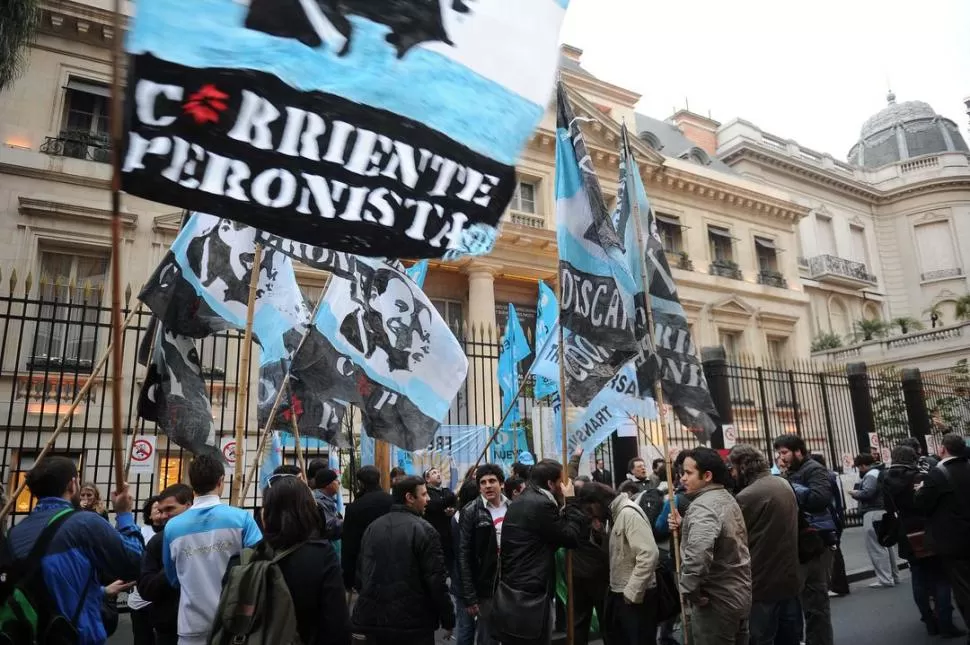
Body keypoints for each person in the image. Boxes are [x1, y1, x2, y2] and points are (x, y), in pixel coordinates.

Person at [4, 456, 143, 645]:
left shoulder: (14, 533)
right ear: (73, 484)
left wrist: (100, 592)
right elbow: (134, 562)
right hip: (73, 637)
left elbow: (49, 585)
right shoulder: (85, 523)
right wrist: (124, 514)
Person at [220, 474, 351, 645]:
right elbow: (336, 626)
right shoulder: (321, 557)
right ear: (309, 513)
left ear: (264, 516)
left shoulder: (241, 562)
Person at [162, 453, 262, 645]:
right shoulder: (242, 519)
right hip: (236, 623)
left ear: (191, 483)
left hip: (192, 625)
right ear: (221, 480)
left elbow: (173, 578)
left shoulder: (173, 528)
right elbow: (256, 570)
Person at [494, 459, 589, 645]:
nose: (565, 486)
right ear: (550, 484)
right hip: (531, 593)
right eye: (561, 482)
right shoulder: (540, 504)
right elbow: (570, 537)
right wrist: (571, 501)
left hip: (517, 585)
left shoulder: (525, 499)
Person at [352, 476, 455, 645]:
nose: (428, 499)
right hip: (413, 625)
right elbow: (436, 581)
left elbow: (361, 574)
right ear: (409, 498)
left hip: (374, 622)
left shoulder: (373, 527)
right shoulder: (425, 530)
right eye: (424, 494)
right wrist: (448, 618)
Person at [668, 447, 751, 645]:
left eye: (688, 473)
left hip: (715, 602)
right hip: (738, 594)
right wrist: (684, 526)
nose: (682, 479)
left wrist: (689, 591)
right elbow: (722, 537)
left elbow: (698, 554)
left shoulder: (703, 506)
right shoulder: (725, 497)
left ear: (707, 475)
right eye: (682, 473)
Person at [882, 444, 963, 637]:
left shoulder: (885, 478)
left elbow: (887, 506)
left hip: (905, 530)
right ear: (913, 457)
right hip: (926, 528)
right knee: (940, 577)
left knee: (918, 577)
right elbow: (927, 501)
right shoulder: (918, 476)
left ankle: (928, 620)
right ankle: (945, 622)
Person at [729, 445, 801, 645]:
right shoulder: (783, 483)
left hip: (761, 582)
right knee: (789, 637)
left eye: (733, 468)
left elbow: (731, 538)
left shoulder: (747, 496)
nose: (732, 474)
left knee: (761, 638)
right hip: (788, 578)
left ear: (742, 467)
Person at [578, 482, 660, 645]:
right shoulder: (614, 515)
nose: (591, 516)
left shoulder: (628, 514)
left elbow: (648, 553)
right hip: (621, 590)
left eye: (590, 510)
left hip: (634, 595)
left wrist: (632, 592)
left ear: (596, 503)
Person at [774, 434, 835, 645]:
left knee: (816, 601)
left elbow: (819, 499)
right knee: (798, 600)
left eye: (784, 452)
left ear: (798, 451)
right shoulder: (791, 472)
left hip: (814, 540)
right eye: (779, 453)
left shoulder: (814, 469)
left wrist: (787, 486)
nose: (780, 457)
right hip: (798, 540)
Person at [915, 433, 970, 638]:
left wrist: (920, 490)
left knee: (963, 587)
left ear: (942, 449)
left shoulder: (936, 475)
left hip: (953, 539)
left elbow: (922, 505)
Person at [457, 464, 509, 645]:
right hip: (485, 587)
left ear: (501, 484)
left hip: (511, 585)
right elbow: (463, 555)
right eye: (483, 482)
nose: (488, 486)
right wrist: (470, 596)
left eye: (492, 481)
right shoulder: (471, 511)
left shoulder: (512, 508)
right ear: (479, 487)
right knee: (487, 637)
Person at [138, 484, 194, 645]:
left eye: (170, 509)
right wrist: (173, 564)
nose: (163, 516)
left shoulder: (206, 535)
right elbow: (146, 589)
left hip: (204, 622)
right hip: (169, 627)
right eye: (161, 511)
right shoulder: (157, 542)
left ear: (188, 506)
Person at [342, 465, 393, 592]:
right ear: (379, 479)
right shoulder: (393, 501)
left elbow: (349, 544)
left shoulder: (354, 508)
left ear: (360, 483)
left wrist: (348, 578)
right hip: (393, 560)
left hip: (366, 564)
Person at [851, 453, 899, 588]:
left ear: (863, 465)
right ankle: (893, 576)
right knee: (886, 545)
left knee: (876, 547)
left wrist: (855, 494)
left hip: (872, 513)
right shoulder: (880, 472)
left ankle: (885, 578)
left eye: (859, 467)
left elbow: (868, 492)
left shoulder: (871, 475)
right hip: (883, 510)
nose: (859, 470)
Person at [807, 454, 849, 597]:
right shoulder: (831, 476)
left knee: (831, 552)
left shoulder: (823, 478)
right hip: (835, 517)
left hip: (829, 518)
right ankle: (838, 584)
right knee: (834, 550)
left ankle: (836, 585)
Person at [452, 481, 482, 645]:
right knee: (467, 629)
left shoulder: (456, 517)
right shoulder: (467, 518)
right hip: (468, 582)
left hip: (461, 580)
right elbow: (464, 555)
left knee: (466, 628)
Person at [129, 496, 162, 644]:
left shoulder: (172, 531)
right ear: (149, 514)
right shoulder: (143, 532)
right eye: (157, 508)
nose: (161, 512)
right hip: (140, 599)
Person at [423, 467, 457, 571]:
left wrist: (454, 510)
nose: (438, 474)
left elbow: (456, 504)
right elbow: (435, 506)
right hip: (435, 534)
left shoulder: (446, 491)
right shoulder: (426, 493)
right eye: (434, 473)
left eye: (438, 472)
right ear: (427, 479)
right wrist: (453, 496)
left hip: (450, 534)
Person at [314, 466, 344, 540]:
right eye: (336, 480)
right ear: (328, 484)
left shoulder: (329, 499)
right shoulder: (319, 502)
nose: (339, 483)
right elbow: (329, 527)